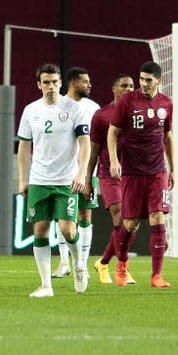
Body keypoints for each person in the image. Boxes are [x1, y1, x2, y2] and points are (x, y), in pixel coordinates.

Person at [17, 63, 90, 298]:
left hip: (66, 181)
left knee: (68, 229)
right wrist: (22, 179)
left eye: (55, 81)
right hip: (39, 180)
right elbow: (24, 146)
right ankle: (46, 285)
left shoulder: (73, 108)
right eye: (46, 82)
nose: (51, 86)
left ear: (61, 83)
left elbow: (85, 143)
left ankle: (79, 264)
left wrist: (81, 173)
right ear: (38, 84)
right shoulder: (30, 110)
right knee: (40, 230)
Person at [108, 61, 174, 288]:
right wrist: (115, 160)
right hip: (132, 172)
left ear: (159, 81)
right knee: (130, 223)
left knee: (158, 216)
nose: (143, 84)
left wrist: (172, 168)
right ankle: (122, 265)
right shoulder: (128, 100)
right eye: (141, 79)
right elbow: (113, 132)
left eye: (148, 79)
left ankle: (156, 276)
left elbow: (168, 137)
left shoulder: (166, 103)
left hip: (157, 171)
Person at [86, 73, 136, 284]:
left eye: (132, 86)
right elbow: (94, 150)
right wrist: (88, 179)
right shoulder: (101, 116)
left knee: (131, 225)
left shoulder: (139, 113)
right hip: (108, 174)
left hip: (134, 175)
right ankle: (122, 268)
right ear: (113, 89)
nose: (129, 89)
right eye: (124, 85)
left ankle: (103, 262)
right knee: (121, 218)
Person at [53, 67, 100, 279]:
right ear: (73, 84)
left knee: (85, 215)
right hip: (62, 173)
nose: (90, 85)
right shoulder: (57, 106)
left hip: (89, 171)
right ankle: (64, 263)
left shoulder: (93, 108)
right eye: (85, 81)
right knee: (61, 218)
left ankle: (82, 264)